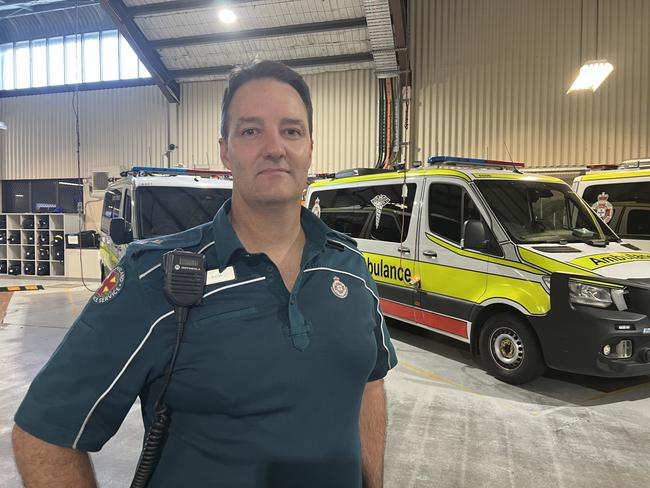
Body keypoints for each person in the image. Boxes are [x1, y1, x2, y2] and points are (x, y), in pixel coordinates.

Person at [12, 60, 397, 488]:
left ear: (309, 146)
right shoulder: (154, 277)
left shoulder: (351, 268)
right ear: (224, 150)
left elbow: (370, 383)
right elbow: (43, 434)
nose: (275, 147)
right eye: (251, 130)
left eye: (291, 130)